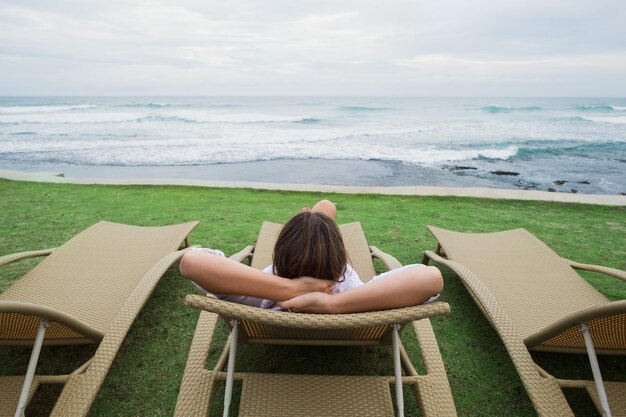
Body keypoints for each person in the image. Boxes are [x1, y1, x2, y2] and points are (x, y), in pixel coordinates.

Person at [179, 200, 443, 314]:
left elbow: (192, 261)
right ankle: (313, 222)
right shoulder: (352, 294)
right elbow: (430, 278)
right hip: (337, 290)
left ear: (279, 256)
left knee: (321, 211)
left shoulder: (258, 294)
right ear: (340, 260)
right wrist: (331, 305)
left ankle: (310, 223)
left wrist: (288, 288)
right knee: (324, 208)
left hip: (280, 284)